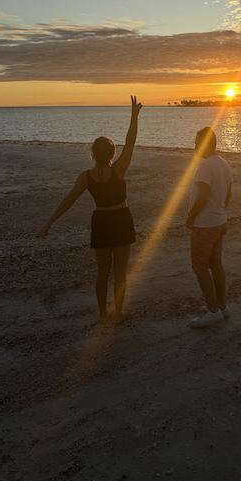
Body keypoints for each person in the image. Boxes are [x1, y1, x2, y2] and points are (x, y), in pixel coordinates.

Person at [40, 96, 143, 323]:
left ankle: (103, 314)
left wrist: (49, 223)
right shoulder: (119, 170)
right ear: (112, 154)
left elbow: (68, 201)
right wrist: (134, 117)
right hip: (121, 219)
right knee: (120, 273)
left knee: (102, 272)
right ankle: (118, 313)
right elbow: (131, 141)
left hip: (101, 222)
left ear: (94, 154)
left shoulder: (86, 177)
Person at [187, 126, 233, 328]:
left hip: (204, 224)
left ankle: (212, 310)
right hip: (218, 221)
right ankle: (221, 307)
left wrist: (191, 216)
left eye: (197, 142)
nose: (194, 146)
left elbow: (203, 196)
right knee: (216, 264)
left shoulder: (205, 166)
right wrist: (221, 213)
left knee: (200, 267)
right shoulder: (224, 163)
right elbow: (228, 195)